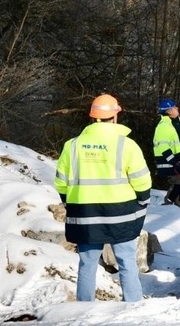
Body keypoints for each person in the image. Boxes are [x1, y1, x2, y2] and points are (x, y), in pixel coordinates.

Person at [55, 93, 152, 302]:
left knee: (87, 265)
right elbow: (142, 182)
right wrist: (143, 201)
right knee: (126, 261)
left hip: (85, 214)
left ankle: (84, 310)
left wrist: (70, 200)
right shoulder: (127, 145)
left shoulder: (72, 146)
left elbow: (61, 182)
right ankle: (133, 307)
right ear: (115, 116)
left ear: (92, 117)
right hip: (121, 214)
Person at [153, 97, 180, 207]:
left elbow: (179, 138)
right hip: (171, 160)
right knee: (179, 182)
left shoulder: (177, 121)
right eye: (175, 107)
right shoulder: (163, 126)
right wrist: (174, 162)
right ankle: (170, 203)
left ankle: (175, 203)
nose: (177, 108)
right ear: (169, 111)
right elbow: (162, 146)